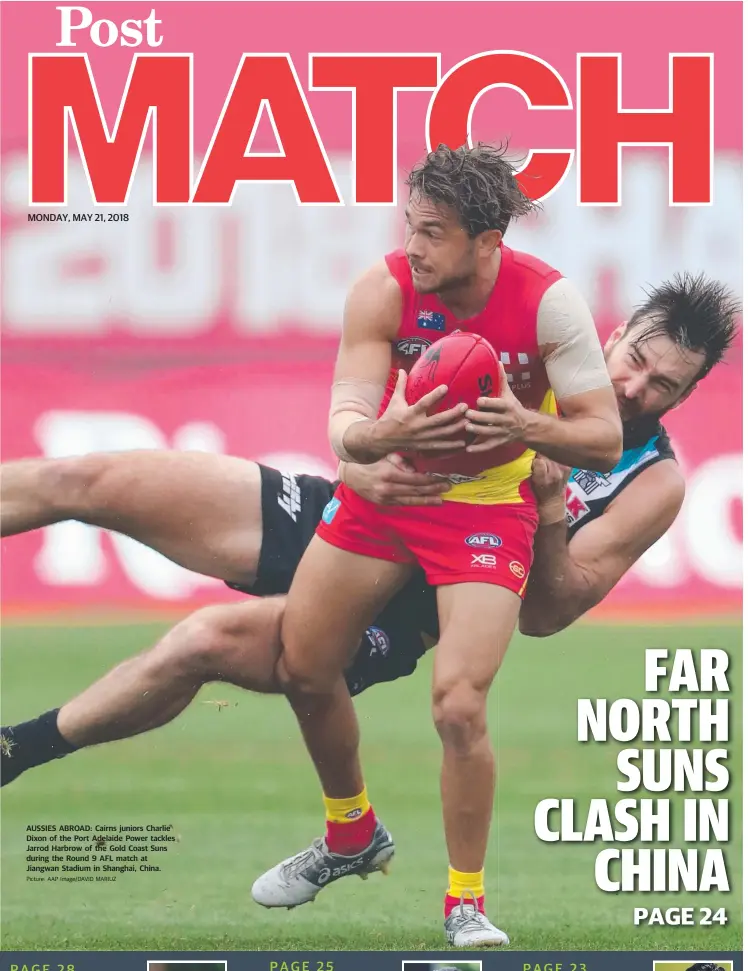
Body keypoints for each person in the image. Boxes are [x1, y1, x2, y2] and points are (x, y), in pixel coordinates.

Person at [0, 272, 738, 929]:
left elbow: (548, 611)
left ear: (686, 396)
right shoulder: (536, 356)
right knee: (88, 479)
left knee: (200, 642)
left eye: (664, 385)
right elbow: (381, 410)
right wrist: (368, 463)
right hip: (353, 515)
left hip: (407, 606)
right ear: (611, 336)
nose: (636, 386)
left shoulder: (653, 482)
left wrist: (548, 507)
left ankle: (15, 749)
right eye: (636, 359)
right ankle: (351, 833)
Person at [251, 141, 625, 947]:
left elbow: (604, 437)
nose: (413, 245)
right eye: (410, 225)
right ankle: (350, 833)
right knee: (303, 666)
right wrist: (374, 440)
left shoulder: (549, 304)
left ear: (487, 239)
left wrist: (526, 424)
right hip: (390, 493)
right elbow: (345, 418)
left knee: (459, 701)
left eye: (433, 231)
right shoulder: (382, 289)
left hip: (488, 509)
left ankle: (464, 901)